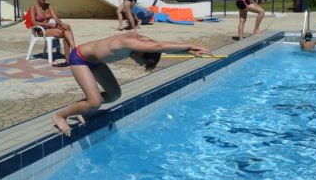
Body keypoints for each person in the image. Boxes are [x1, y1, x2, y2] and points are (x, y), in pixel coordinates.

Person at [52, 32, 213, 136]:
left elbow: (160, 48)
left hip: (95, 61)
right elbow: (159, 46)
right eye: (141, 61)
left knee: (114, 94)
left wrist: (189, 52)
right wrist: (192, 45)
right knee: (95, 102)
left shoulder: (140, 44)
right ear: (141, 51)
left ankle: (83, 107)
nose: (138, 63)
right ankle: (60, 116)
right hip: (80, 58)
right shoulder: (128, 42)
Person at [30, 0, 75, 66]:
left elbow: (55, 18)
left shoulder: (49, 6)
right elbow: (34, 22)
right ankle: (73, 54)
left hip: (50, 28)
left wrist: (62, 25)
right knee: (64, 33)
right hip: (40, 31)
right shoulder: (33, 8)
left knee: (67, 27)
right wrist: (48, 24)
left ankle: (72, 53)